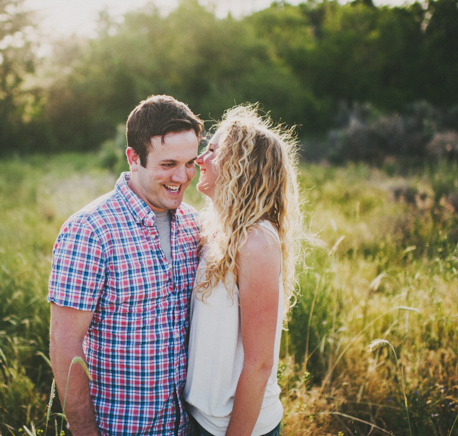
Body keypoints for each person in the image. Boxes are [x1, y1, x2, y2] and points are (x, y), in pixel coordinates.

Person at [48, 95, 204, 435]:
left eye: (191, 162)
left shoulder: (195, 224)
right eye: (168, 164)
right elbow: (65, 344)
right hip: (122, 428)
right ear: (134, 158)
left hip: (189, 426)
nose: (182, 176)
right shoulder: (89, 231)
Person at [184, 105, 303, 436]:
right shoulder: (215, 229)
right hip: (199, 417)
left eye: (212, 150)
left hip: (238, 427)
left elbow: (260, 363)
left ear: (241, 165)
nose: (200, 159)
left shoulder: (256, 242)